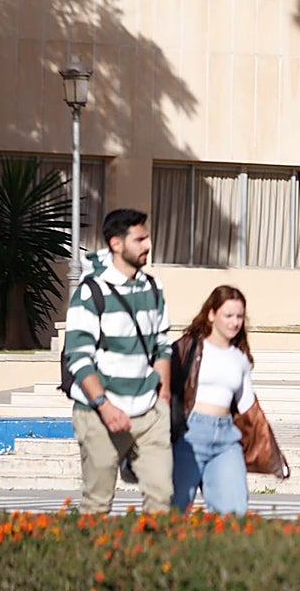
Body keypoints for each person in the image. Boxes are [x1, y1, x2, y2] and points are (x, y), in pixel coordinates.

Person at [62, 208, 173, 514]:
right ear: (116, 244)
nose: (147, 245)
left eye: (147, 237)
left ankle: (157, 560)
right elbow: (79, 356)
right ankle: (93, 560)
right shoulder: (91, 291)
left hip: (148, 410)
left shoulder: (153, 288)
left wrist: (162, 395)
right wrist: (104, 405)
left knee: (162, 497)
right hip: (100, 412)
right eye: (140, 239)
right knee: (97, 503)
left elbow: (162, 345)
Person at [172, 286, 287, 515]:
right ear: (212, 314)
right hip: (188, 435)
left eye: (239, 317)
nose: (235, 322)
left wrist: (273, 453)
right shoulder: (188, 347)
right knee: (173, 512)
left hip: (226, 438)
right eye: (228, 316)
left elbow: (248, 407)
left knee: (234, 513)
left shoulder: (240, 357)